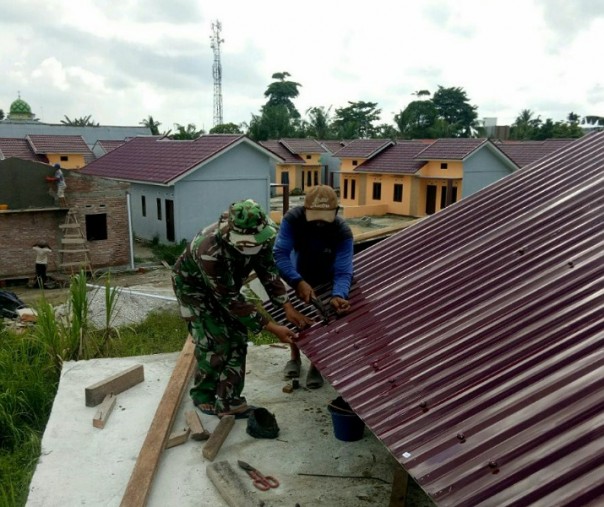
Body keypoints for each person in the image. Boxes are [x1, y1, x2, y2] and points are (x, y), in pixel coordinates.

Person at [172, 199, 313, 419]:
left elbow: (269, 273)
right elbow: (229, 300)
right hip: (195, 290)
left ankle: (230, 401)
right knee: (214, 339)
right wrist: (270, 327)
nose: (252, 247)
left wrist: (286, 305)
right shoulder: (209, 249)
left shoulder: (264, 238)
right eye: (246, 244)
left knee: (238, 336)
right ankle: (203, 395)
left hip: (227, 287)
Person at [273, 185, 354, 388]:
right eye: (314, 216)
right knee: (292, 314)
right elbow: (280, 253)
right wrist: (296, 280)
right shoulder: (293, 219)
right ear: (306, 209)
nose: (319, 223)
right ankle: (294, 357)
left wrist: (339, 293)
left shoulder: (342, 232)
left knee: (324, 316)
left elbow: (344, 270)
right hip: (295, 271)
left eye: (324, 218)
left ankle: (316, 364)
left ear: (335, 212)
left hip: (326, 274)